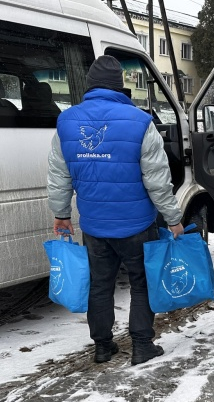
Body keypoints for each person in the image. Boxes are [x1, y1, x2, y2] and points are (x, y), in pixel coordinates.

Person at [47, 55, 184, 365]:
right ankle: (142, 345)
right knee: (141, 282)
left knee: (99, 283)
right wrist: (173, 218)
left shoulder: (67, 122)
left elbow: (58, 175)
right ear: (119, 86)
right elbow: (158, 181)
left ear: (90, 85)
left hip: (94, 226)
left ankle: (103, 346)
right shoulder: (140, 122)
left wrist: (62, 214)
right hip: (136, 224)